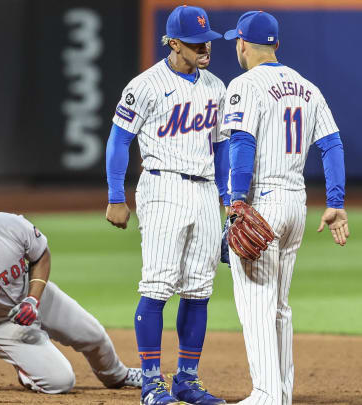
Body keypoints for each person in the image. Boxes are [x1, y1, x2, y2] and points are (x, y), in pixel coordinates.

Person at [219, 11, 350, 405]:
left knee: (256, 305)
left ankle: (264, 394)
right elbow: (332, 145)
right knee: (279, 306)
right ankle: (280, 392)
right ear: (276, 44)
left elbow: (241, 144)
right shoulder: (309, 88)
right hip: (297, 203)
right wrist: (336, 203)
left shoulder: (243, 84)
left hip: (263, 202)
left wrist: (238, 201)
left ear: (242, 43)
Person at [105, 5, 230, 405]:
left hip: (206, 190)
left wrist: (229, 200)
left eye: (207, 39)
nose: (204, 47)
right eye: (195, 43)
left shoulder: (217, 86)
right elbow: (118, 141)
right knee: (158, 285)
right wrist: (115, 196)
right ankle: (151, 382)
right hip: (163, 187)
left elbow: (223, 146)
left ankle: (187, 380)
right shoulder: (144, 85)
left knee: (199, 289)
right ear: (174, 43)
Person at [0, 186, 143, 395]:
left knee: (94, 335)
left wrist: (33, 299)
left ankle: (117, 376)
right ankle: (27, 370)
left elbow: (41, 256)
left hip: (37, 295)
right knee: (60, 382)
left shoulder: (9, 225)